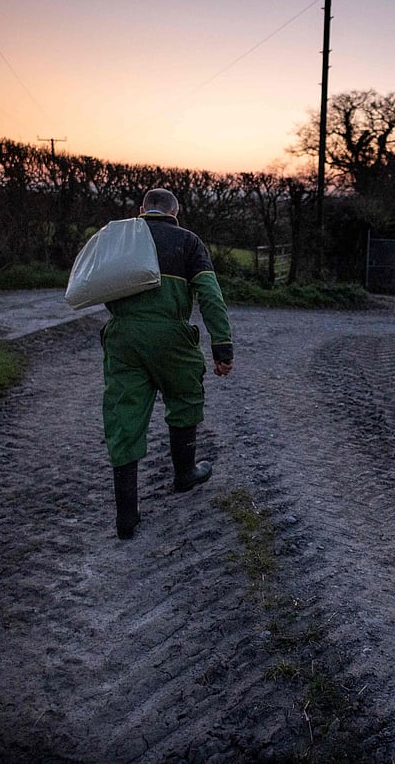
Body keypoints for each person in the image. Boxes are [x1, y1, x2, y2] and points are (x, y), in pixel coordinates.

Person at [100, 188, 233, 539]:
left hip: (123, 338)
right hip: (172, 337)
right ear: (176, 212)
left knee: (123, 416)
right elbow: (210, 296)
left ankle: (126, 517)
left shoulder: (122, 239)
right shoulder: (188, 241)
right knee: (185, 399)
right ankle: (185, 474)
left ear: (142, 209)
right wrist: (222, 347)